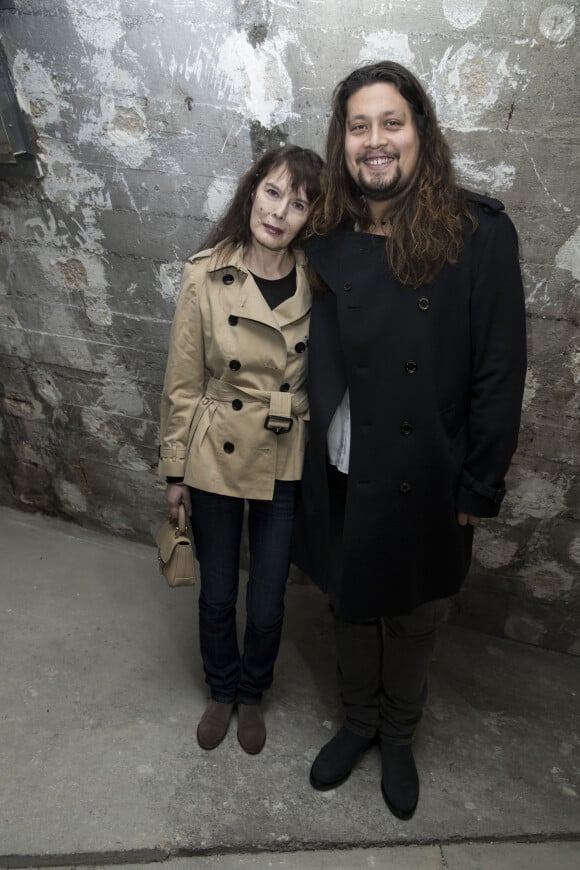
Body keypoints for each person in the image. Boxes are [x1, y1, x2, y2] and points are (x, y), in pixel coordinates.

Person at [292, 61, 527, 818]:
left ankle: (398, 734)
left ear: (420, 131)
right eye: (359, 126)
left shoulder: (476, 233)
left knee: (415, 615)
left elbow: (499, 370)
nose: (375, 141)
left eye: (391, 122)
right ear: (344, 140)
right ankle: (359, 721)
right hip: (342, 465)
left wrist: (478, 486)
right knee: (351, 606)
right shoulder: (326, 228)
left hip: (426, 468)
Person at [158, 145, 323, 755]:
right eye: (273, 193)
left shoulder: (321, 281)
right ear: (253, 191)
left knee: (270, 595)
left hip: (283, 451)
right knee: (219, 589)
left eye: (298, 203)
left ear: (312, 217)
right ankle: (222, 689)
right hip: (214, 451)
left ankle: (254, 691)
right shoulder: (206, 272)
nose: (279, 213)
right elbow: (182, 380)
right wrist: (175, 469)